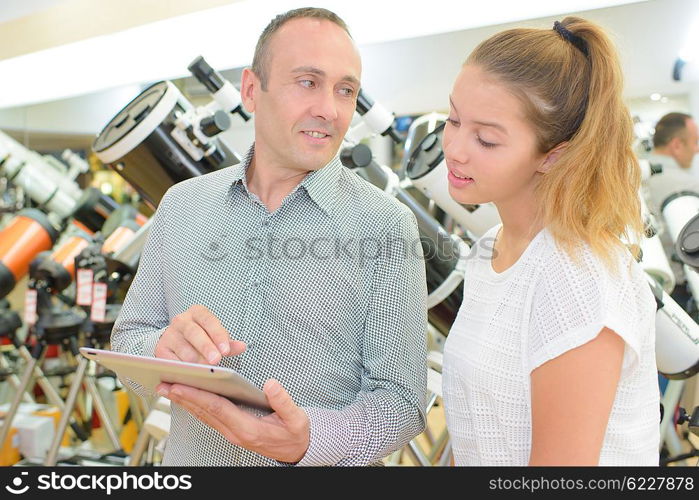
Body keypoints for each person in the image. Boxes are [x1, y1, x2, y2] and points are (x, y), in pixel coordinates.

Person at [111, 7, 427, 466]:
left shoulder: (384, 225)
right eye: (307, 82)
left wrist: (308, 441)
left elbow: (402, 402)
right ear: (251, 90)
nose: (330, 109)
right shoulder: (182, 205)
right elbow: (128, 343)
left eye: (346, 90)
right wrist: (159, 350)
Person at [441, 17, 660, 465]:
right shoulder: (491, 248)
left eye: (485, 139)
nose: (456, 148)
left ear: (552, 155)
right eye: (453, 119)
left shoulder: (577, 279)